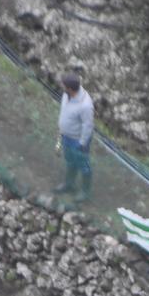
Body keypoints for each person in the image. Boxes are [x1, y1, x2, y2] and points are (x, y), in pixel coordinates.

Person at [54, 72, 94, 203]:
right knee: (70, 161)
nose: (62, 87)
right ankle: (69, 185)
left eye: (64, 86)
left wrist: (82, 143)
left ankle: (85, 193)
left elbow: (88, 125)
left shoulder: (86, 105)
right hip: (66, 136)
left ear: (70, 89)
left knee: (83, 165)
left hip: (78, 141)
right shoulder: (67, 96)